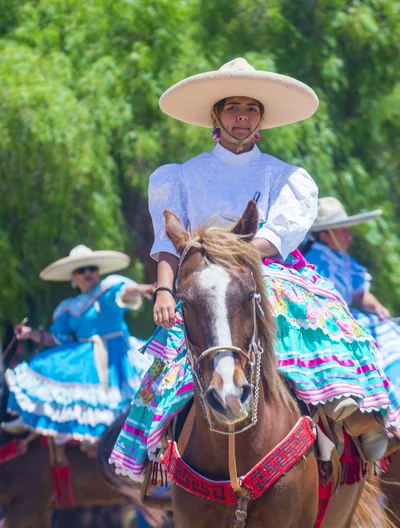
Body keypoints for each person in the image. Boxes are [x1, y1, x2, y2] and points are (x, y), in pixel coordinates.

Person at [109, 58, 398, 481]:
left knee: (311, 315)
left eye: (251, 108)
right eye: (232, 108)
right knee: (169, 352)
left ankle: (343, 411)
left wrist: (232, 255)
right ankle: (161, 455)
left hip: (266, 268)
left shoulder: (286, 176)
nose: (242, 116)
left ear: (261, 117)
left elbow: (279, 236)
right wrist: (165, 292)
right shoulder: (180, 177)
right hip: (201, 277)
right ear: (216, 115)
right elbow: (166, 244)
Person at [2, 245, 155, 442]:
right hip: (85, 354)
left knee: (143, 390)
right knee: (40, 365)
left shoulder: (107, 288)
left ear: (98, 272)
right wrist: (30, 333)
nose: (88, 273)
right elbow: (57, 338)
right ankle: (30, 417)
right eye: (81, 270)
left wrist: (143, 289)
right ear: (73, 278)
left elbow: (125, 292)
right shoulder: (69, 307)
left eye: (92, 268)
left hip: (119, 353)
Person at [306, 196, 400, 396]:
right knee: (383, 339)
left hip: (351, 318)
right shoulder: (315, 260)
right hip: (332, 323)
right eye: (343, 231)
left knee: (389, 329)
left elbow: (359, 294)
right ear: (325, 235)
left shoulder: (343, 258)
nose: (348, 236)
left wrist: (378, 308)